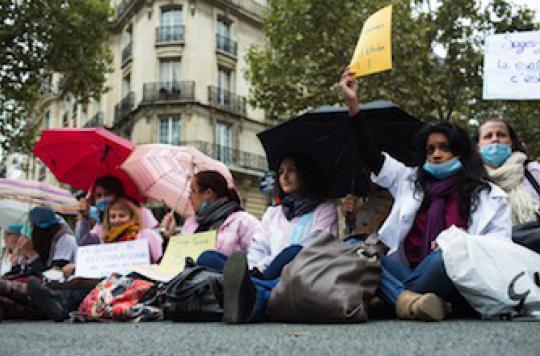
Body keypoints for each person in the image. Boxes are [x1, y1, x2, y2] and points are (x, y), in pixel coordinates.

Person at [337, 69, 511, 321]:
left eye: (444, 148)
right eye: (430, 150)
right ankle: (410, 301)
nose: (436, 155)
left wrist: (457, 244)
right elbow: (373, 158)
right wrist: (353, 107)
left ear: (461, 152)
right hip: (408, 271)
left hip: (454, 277)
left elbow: (499, 250)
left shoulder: (490, 197)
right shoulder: (409, 180)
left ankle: (393, 297)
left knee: (444, 258)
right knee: (355, 248)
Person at [221, 155, 339, 323]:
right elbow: (258, 248)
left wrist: (265, 268)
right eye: (281, 171)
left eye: (292, 170)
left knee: (292, 251)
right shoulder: (272, 213)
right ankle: (248, 290)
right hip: (265, 274)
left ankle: (244, 291)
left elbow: (313, 249)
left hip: (300, 274)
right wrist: (256, 268)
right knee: (209, 257)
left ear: (307, 174)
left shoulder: (324, 210)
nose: (284, 176)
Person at [161, 170, 260, 263]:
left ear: (208, 193)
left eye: (193, 191)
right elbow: (176, 261)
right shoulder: (191, 223)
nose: (189, 196)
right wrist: (170, 237)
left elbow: (258, 257)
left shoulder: (242, 221)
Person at [0, 207, 77, 320]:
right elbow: (22, 271)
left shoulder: (65, 240)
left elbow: (53, 276)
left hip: (49, 289)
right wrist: (20, 255)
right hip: (32, 292)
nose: (29, 228)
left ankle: (56, 306)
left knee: (5, 286)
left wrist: (31, 254)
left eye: (32, 225)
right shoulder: (38, 240)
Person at [474, 119, 540, 224]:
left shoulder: (533, 171)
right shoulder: (471, 179)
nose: (495, 139)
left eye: (501, 135)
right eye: (488, 136)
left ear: (511, 143)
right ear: (477, 146)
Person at [80, 176, 159, 245]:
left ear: (118, 194)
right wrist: (84, 218)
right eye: (98, 195)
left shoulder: (143, 212)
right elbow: (84, 242)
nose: (102, 199)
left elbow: (156, 239)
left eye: (107, 194)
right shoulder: (101, 224)